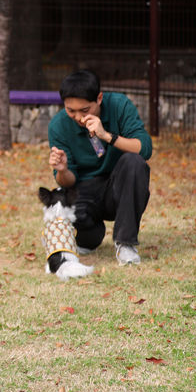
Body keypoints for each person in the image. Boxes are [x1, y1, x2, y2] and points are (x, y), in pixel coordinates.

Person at [48, 69, 152, 266]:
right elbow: (68, 182)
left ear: (99, 98)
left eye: (85, 110)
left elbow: (144, 148)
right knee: (65, 203)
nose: (78, 117)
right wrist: (62, 169)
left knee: (134, 162)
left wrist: (107, 136)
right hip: (85, 189)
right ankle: (89, 237)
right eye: (71, 110)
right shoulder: (58, 125)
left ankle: (126, 243)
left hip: (119, 185)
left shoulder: (119, 106)